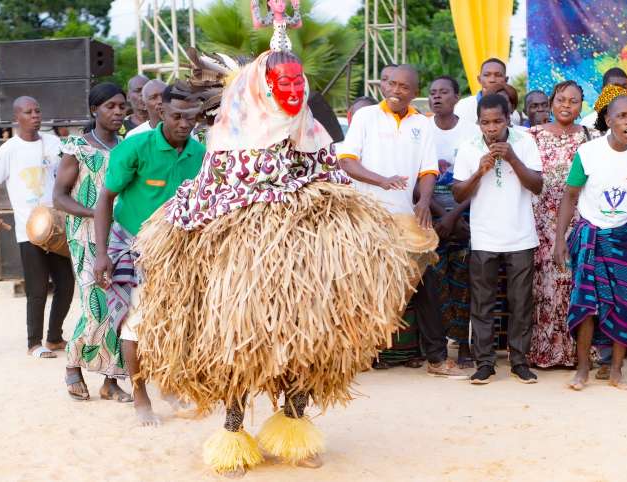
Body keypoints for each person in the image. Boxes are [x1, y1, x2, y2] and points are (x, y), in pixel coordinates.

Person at [129, 36, 435, 475]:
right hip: (242, 235)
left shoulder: (309, 128)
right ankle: (233, 432)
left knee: (311, 333)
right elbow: (222, 180)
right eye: (282, 85)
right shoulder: (231, 131)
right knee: (235, 335)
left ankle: (294, 430)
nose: (293, 94)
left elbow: (326, 165)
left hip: (305, 236)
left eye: (298, 85)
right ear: (262, 87)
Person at [339, 64, 466, 378]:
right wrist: (381, 181)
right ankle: (352, 358)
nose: (396, 91)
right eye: (392, 84)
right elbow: (347, 161)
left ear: (414, 92)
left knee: (424, 283)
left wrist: (423, 200)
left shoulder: (422, 125)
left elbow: (427, 171)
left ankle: (436, 358)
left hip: (405, 221)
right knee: (361, 286)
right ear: (384, 85)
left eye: (404, 87)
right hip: (365, 218)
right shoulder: (366, 117)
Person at [93, 84, 205, 426]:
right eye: (176, 116)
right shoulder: (135, 148)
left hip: (177, 249)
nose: (184, 124)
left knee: (176, 321)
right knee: (136, 325)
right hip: (132, 245)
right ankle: (141, 398)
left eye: (190, 117)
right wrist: (102, 254)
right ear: (160, 114)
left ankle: (170, 384)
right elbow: (105, 199)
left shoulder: (200, 154)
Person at [452, 94, 543, 385]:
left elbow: (537, 185)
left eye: (497, 121)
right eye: (485, 122)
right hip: (484, 237)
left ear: (509, 118)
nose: (491, 128)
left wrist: (513, 158)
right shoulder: (468, 146)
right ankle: (485, 363)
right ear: (478, 122)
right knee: (483, 303)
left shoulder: (525, 142)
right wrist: (479, 171)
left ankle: (519, 361)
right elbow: (458, 194)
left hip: (520, 235)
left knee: (521, 303)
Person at [52, 83, 132, 402]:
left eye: (121, 106)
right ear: (94, 110)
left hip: (121, 236)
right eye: (110, 106)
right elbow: (58, 196)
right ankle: (73, 364)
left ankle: (111, 381)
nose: (117, 112)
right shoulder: (78, 147)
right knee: (95, 306)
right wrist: (96, 213)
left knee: (120, 307)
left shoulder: (129, 147)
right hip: (85, 236)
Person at [554, 95, 627, 391]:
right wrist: (560, 239)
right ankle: (583, 370)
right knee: (587, 303)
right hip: (591, 237)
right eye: (623, 116)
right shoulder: (588, 152)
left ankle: (616, 370)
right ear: (609, 120)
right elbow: (570, 195)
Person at [0, 96, 74, 359]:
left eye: (38, 110)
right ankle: (34, 343)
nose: (35, 115)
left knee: (66, 284)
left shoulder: (54, 143)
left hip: (56, 226)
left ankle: (55, 337)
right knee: (36, 288)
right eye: (28, 112)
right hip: (30, 230)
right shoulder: (8, 150)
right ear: (17, 118)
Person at [526, 81, 593, 369]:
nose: (566, 105)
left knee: (574, 284)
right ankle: (545, 351)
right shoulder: (533, 136)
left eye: (574, 101)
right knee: (545, 286)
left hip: (578, 219)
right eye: (561, 99)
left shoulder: (591, 138)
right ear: (552, 102)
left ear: (581, 106)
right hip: (541, 220)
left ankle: (575, 353)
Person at [427, 75, 479, 368]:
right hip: (432, 220)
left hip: (465, 218)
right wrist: (440, 215)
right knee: (436, 282)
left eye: (443, 92)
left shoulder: (470, 132)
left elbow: (480, 178)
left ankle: (464, 346)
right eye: (432, 92)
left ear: (456, 96)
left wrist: (455, 215)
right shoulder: (422, 130)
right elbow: (414, 177)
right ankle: (438, 347)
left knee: (465, 283)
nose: (437, 97)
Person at [454, 58, 508, 124]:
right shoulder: (463, 106)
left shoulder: (511, 111)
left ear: (506, 80)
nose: (492, 80)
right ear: (479, 79)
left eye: (498, 75)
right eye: (487, 75)